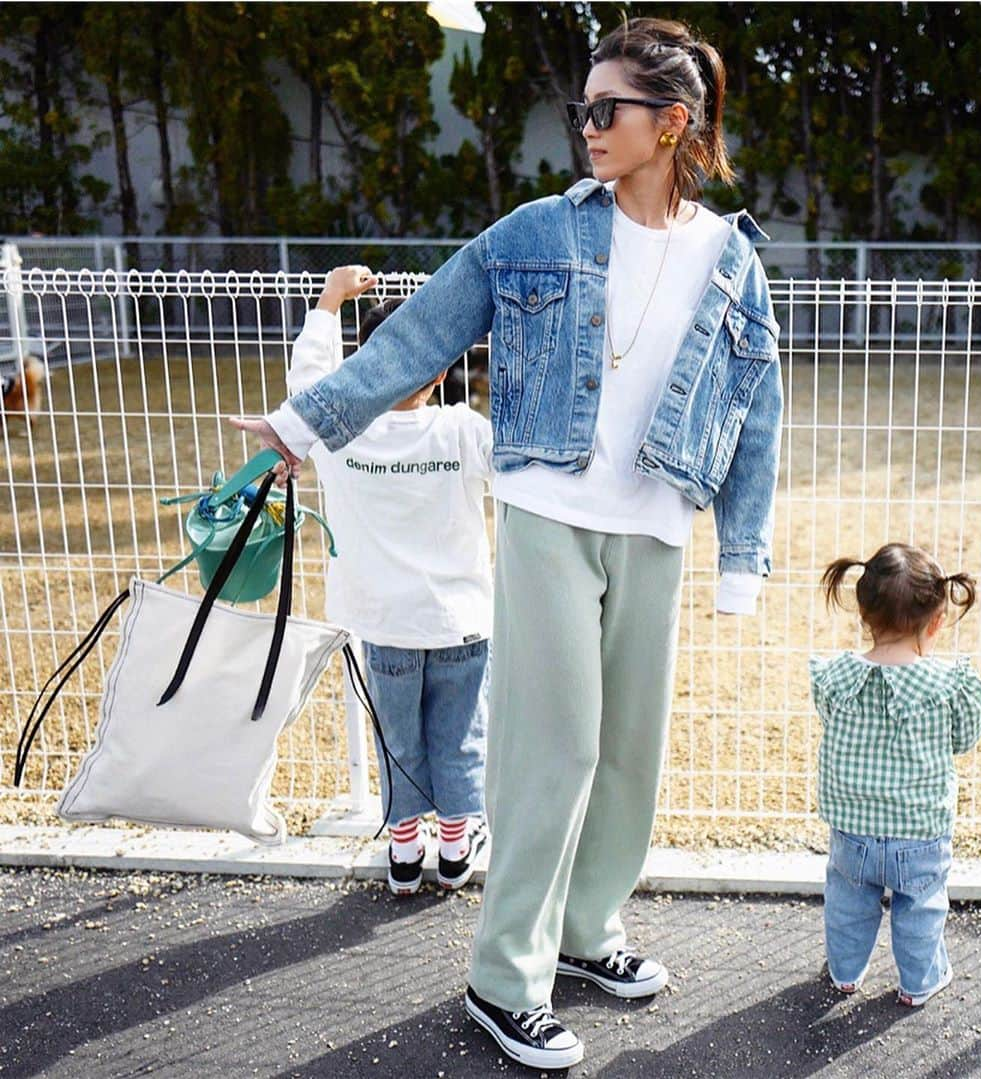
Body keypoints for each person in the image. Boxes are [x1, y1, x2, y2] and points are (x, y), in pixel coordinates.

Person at [233, 17, 783, 1070]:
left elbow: (757, 410)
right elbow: (424, 328)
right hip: (550, 514)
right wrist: (307, 423)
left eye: (606, 109)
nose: (585, 125)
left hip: (657, 522)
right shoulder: (538, 229)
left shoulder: (730, 259)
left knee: (628, 752)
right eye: (581, 108)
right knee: (553, 748)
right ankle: (505, 977)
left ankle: (585, 931)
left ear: (673, 124)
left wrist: (743, 558)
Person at [286, 271, 492, 896]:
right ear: (437, 374)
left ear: (365, 366)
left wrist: (328, 302)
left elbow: (307, 387)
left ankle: (405, 851)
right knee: (460, 735)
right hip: (460, 620)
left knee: (399, 739)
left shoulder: (337, 432)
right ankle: (455, 846)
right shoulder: (462, 430)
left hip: (382, 621)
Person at [809, 543, 981, 1007]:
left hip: (852, 829)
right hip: (920, 833)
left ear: (864, 616)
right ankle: (919, 982)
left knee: (849, 904)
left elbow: (830, 718)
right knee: (921, 908)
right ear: (935, 623)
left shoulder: (837, 676)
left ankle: (845, 973)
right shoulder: (947, 685)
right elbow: (965, 738)